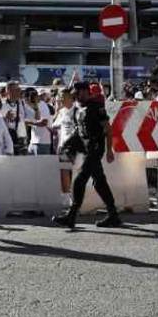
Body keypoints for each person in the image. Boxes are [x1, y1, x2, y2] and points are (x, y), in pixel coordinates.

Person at [52, 82, 120, 228]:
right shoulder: (77, 109)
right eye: (76, 93)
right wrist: (68, 144)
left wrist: (109, 150)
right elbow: (79, 131)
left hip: (96, 148)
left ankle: (71, 215)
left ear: (87, 92)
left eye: (80, 92)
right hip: (86, 148)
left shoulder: (96, 107)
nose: (77, 95)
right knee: (99, 182)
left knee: (79, 180)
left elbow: (108, 129)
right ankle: (113, 215)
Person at [24, 87, 53, 155]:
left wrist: (28, 122)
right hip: (33, 142)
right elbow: (37, 118)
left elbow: (44, 122)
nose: (26, 101)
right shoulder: (32, 106)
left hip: (42, 143)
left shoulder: (43, 105)